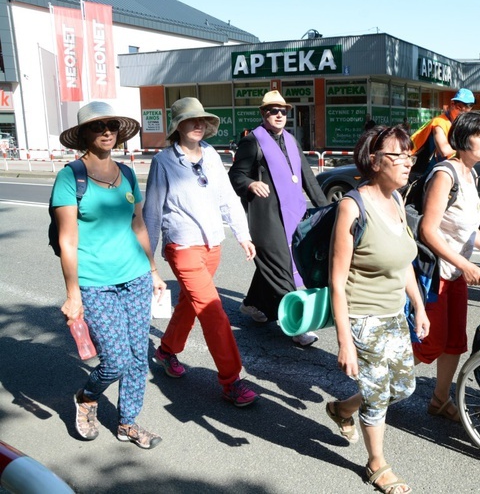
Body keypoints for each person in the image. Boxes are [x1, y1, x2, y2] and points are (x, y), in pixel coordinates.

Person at [53, 101, 164, 449]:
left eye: (112, 126)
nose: (106, 132)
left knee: (136, 357)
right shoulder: (70, 177)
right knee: (115, 360)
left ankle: (127, 422)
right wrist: (73, 295)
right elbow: (67, 240)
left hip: (136, 278)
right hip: (95, 283)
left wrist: (154, 270)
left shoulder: (127, 174)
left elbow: (138, 224)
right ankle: (87, 397)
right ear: (84, 134)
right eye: (98, 127)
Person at [326, 126, 429, 494]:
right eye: (397, 156)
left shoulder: (397, 199)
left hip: (394, 312)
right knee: (378, 393)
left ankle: (342, 408)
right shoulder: (352, 206)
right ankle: (376, 464)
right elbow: (337, 281)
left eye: (409, 156)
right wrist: (344, 342)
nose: (406, 163)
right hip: (363, 316)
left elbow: (402, 261)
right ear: (374, 160)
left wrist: (418, 304)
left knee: (402, 387)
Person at [143, 97, 259, 407]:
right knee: (212, 311)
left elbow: (228, 199)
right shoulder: (163, 162)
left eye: (202, 120)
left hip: (212, 245)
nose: (199, 124)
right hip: (182, 245)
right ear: (177, 127)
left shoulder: (210, 154)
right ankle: (231, 381)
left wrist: (243, 235)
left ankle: (167, 350)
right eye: (191, 120)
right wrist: (149, 263)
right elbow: (152, 213)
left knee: (189, 304)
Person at [414, 112, 480, 422]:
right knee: (427, 345)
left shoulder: (471, 174)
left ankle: (439, 399)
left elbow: (466, 229)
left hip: (455, 274)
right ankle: (367, 394)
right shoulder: (445, 174)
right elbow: (428, 230)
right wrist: (465, 263)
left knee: (454, 342)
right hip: (435, 274)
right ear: (463, 139)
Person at [228, 90, 327, 347]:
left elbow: (309, 180)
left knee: (274, 264)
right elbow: (235, 175)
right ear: (263, 114)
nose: (279, 115)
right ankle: (297, 326)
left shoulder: (292, 141)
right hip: (266, 218)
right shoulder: (253, 141)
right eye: (273, 110)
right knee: (284, 268)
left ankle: (251, 304)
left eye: (283, 111)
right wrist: (250, 183)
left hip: (293, 215)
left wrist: (328, 210)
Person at [410, 88, 475, 170]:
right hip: (415, 165)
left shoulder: (457, 124)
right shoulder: (440, 122)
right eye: (459, 107)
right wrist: (467, 146)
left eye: (467, 108)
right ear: (452, 104)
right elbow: (444, 150)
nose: (462, 112)